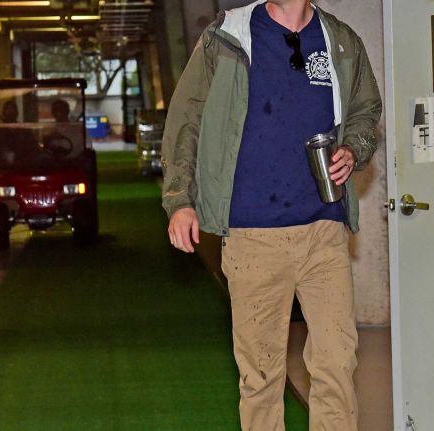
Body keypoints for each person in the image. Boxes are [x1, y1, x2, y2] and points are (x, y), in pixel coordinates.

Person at [161, 1, 381, 430]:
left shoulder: (341, 39)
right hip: (252, 235)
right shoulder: (226, 36)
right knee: (261, 376)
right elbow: (185, 120)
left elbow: (365, 111)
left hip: (324, 227)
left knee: (337, 363)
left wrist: (353, 148)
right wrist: (180, 199)